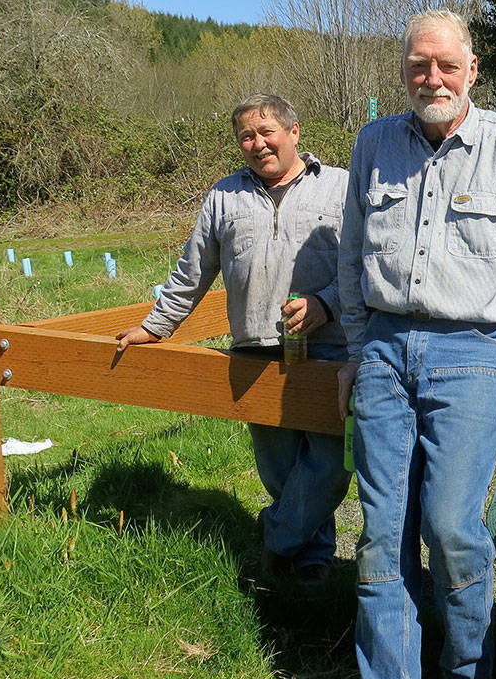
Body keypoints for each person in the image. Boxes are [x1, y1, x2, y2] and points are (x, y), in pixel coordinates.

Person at [336, 9, 496, 679]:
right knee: (381, 537)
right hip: (382, 349)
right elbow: (349, 256)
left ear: (472, 71)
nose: (430, 78)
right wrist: (352, 348)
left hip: (477, 351)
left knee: (451, 529)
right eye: (416, 66)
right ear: (403, 71)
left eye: (445, 65)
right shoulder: (374, 143)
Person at [116, 93, 349, 578]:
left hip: (330, 346)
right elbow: (193, 271)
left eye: (267, 132)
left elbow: (366, 267)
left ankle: (277, 542)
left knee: (329, 466)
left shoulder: (341, 189)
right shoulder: (224, 196)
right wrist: (155, 327)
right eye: (247, 136)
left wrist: (325, 304)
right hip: (255, 350)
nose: (258, 143)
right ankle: (310, 565)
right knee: (281, 470)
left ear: (294, 133)